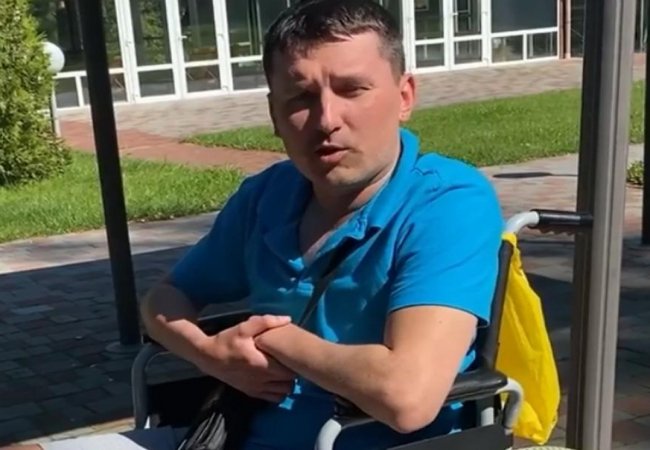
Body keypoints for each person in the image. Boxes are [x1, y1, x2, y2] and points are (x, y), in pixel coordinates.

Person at [4, 0, 503, 449]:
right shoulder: (269, 196)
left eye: (352, 89)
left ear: (405, 95)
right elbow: (163, 301)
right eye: (300, 97)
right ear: (274, 114)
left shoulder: (447, 203)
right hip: (234, 435)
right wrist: (210, 354)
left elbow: (406, 398)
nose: (326, 118)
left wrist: (272, 339)